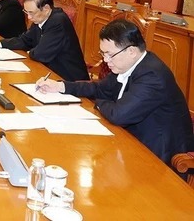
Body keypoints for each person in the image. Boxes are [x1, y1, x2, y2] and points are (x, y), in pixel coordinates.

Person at [38, 19, 194, 170]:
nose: (106, 60)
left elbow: (119, 115)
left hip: (161, 158)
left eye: (109, 54)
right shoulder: (128, 64)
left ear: (131, 51)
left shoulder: (152, 75)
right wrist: (61, 86)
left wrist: (99, 103)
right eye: (103, 54)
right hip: (133, 139)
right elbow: (100, 88)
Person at [0, 0, 89, 81]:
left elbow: (40, 54)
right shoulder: (41, 18)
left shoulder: (58, 22)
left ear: (46, 8)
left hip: (67, 79)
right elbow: (25, 40)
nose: (29, 17)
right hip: (47, 72)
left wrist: (31, 51)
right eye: (26, 12)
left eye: (31, 13)